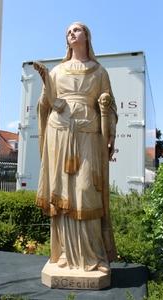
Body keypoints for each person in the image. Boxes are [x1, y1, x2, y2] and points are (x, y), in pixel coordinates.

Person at [34, 22, 118, 274]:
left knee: (86, 190)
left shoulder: (99, 71)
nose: (72, 33)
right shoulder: (57, 71)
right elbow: (44, 104)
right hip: (59, 133)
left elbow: (111, 107)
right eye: (68, 31)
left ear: (87, 36)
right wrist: (50, 97)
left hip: (88, 134)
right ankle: (63, 256)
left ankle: (94, 256)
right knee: (63, 193)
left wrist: (107, 116)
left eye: (77, 30)